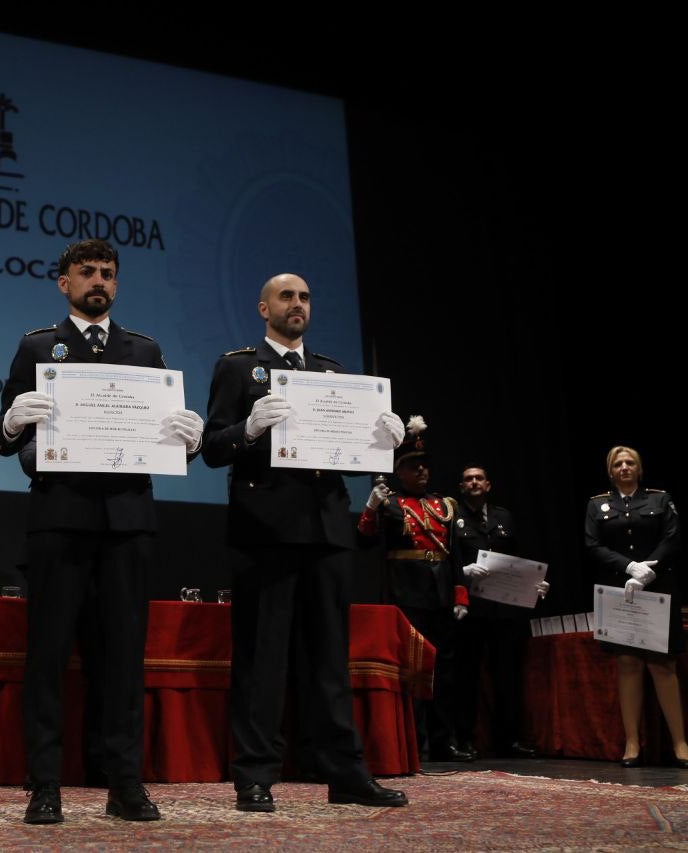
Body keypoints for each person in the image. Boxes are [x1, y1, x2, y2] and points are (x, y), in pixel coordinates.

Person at [0, 238, 203, 824]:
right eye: (86, 272)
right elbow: (0, 438)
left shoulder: (145, 349)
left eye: (107, 272)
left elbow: (166, 434)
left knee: (126, 658)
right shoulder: (37, 346)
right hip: (59, 519)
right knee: (50, 654)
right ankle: (46, 785)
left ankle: (125, 783)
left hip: (129, 523)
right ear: (64, 282)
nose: (98, 280)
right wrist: (11, 423)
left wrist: (189, 437)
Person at [202, 272, 408, 810]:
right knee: (262, 658)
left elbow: (353, 461)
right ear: (262, 306)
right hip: (264, 532)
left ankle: (345, 773)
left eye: (305, 298)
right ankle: (254, 775)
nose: (298, 305)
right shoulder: (237, 367)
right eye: (287, 297)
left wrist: (382, 443)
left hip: (327, 530)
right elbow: (212, 447)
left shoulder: (332, 374)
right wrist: (248, 429)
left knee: (330, 660)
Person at [358, 418, 473, 762]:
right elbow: (364, 540)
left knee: (443, 670)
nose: (422, 472)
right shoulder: (391, 504)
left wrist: (460, 595)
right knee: (411, 668)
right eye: (413, 467)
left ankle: (443, 740)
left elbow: (455, 556)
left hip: (439, 592)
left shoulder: (445, 506)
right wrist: (371, 507)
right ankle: (413, 740)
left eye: (424, 467)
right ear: (400, 471)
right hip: (406, 593)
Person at [585, 446, 688, 768]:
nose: (623, 467)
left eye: (629, 462)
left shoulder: (660, 499)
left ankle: (680, 743)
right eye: (617, 464)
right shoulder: (596, 504)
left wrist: (649, 569)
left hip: (658, 586)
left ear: (640, 468)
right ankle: (632, 742)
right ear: (610, 471)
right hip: (620, 590)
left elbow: (673, 538)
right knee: (628, 664)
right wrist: (629, 567)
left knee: (663, 664)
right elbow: (592, 544)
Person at [451, 466, 540, 759]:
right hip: (470, 609)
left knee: (507, 677)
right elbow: (448, 560)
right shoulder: (453, 517)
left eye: (479, 478)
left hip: (503, 610)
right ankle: (463, 739)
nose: (474, 482)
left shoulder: (504, 517)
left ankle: (509, 739)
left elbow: (517, 560)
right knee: (466, 677)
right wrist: (463, 574)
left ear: (488, 484)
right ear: (461, 487)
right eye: (468, 479)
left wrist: (535, 583)